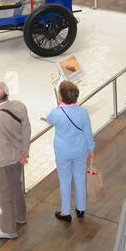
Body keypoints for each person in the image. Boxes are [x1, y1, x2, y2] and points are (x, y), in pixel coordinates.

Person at [46, 80, 94, 221]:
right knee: (80, 178)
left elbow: (49, 120)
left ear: (61, 97)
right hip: (80, 150)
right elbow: (88, 133)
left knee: (65, 180)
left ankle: (65, 212)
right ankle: (81, 208)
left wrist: (58, 106)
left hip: (63, 152)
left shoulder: (57, 113)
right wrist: (91, 149)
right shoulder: (83, 112)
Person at [0, 82, 31, 239]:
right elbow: (26, 128)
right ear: (8, 94)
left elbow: (0, 141)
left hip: (5, 161)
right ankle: (20, 216)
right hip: (19, 156)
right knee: (16, 187)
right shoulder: (19, 106)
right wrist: (24, 152)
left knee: (4, 195)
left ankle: (8, 229)